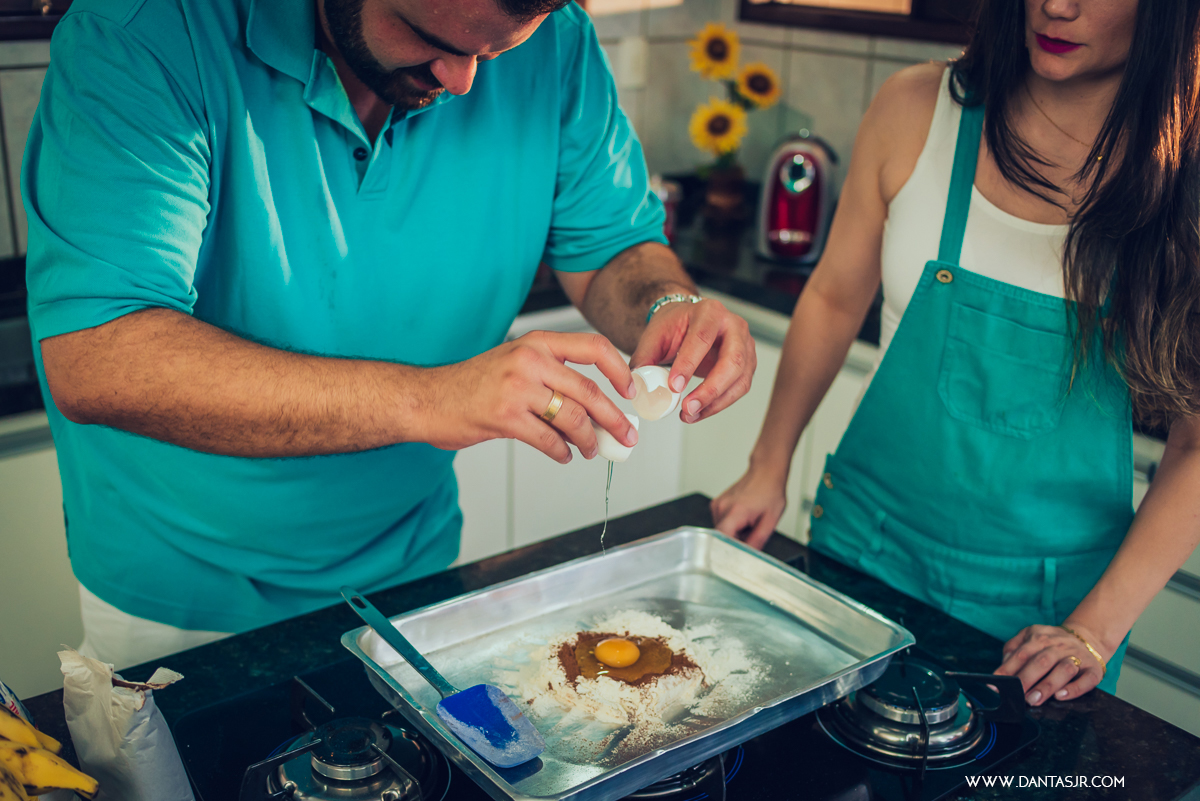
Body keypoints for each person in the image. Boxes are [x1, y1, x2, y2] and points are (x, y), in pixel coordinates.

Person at [23, 0, 755, 668]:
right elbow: (98, 355)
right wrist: (432, 399)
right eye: (431, 40)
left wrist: (666, 305)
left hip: (415, 570)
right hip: (178, 598)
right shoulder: (146, 33)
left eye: (495, 52)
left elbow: (613, 248)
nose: (464, 82)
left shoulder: (554, 40)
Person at [714, 0, 1200, 706]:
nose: (1055, 6)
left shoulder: (1182, 178)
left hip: (1047, 617)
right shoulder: (917, 107)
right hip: (864, 551)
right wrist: (768, 463)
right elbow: (833, 298)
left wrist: (1093, 629)